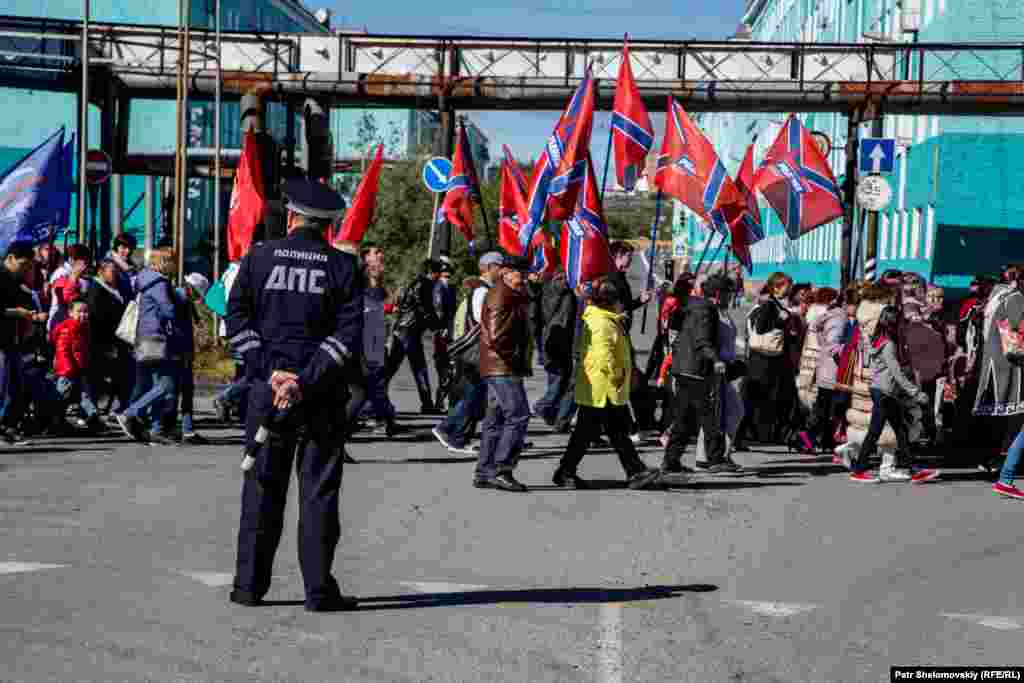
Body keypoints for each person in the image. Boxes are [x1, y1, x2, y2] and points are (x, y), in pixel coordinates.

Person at [225, 178, 363, 612]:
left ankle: (248, 587)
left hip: (267, 393)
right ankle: (319, 591)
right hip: (319, 396)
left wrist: (272, 374)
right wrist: (304, 380)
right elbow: (348, 335)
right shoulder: (343, 267)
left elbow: (237, 320)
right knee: (318, 492)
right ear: (328, 225)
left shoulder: (259, 257)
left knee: (262, 490)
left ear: (291, 216)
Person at [552, 276, 661, 490]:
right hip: (602, 389)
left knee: (604, 432)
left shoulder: (607, 319)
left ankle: (568, 471)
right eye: (620, 300)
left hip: (602, 389)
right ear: (612, 301)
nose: (623, 304)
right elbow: (604, 358)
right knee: (607, 432)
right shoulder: (602, 323)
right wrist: (620, 375)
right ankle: (634, 471)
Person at [849, 305, 940, 484]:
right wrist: (916, 393)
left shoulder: (877, 339)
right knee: (875, 432)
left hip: (881, 390)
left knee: (900, 430)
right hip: (885, 392)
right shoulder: (888, 344)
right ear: (894, 322)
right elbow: (896, 373)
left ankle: (910, 467)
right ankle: (859, 469)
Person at [661, 273, 740, 476]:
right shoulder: (706, 310)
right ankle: (714, 459)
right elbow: (702, 341)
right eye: (727, 294)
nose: (729, 298)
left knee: (685, 420)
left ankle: (671, 462)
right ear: (717, 294)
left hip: (685, 369)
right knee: (708, 416)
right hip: (695, 370)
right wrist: (716, 360)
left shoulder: (696, 307)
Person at [114, 248, 187, 445]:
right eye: (172, 261)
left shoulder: (146, 280)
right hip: (157, 337)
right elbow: (169, 310)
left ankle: (156, 429)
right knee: (167, 385)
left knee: (157, 384)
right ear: (163, 262)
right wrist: (180, 298)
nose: (175, 265)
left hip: (146, 337)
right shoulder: (159, 283)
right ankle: (130, 412)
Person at [433, 251, 503, 455]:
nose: (502, 269)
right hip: (477, 351)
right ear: (489, 267)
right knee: (475, 394)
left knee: (478, 394)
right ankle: (448, 428)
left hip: (481, 351)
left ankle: (458, 434)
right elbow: (486, 321)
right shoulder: (481, 291)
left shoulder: (487, 289)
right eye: (500, 265)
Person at [473, 256, 532, 492]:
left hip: (500, 364)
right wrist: (515, 357)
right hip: (502, 365)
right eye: (520, 273)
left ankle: (485, 471)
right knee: (518, 415)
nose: (524, 277)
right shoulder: (501, 294)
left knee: (495, 420)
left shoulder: (509, 292)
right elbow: (496, 336)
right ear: (506, 272)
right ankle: (502, 470)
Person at [740, 272, 795, 444]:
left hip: (768, 359)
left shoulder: (774, 303)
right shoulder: (770, 305)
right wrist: (780, 322)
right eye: (787, 285)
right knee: (758, 397)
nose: (790, 288)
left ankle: (756, 433)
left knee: (762, 398)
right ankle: (744, 433)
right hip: (764, 359)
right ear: (777, 286)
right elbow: (761, 327)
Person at [386, 259, 444, 414]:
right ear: (431, 272)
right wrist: (437, 325)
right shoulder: (424, 284)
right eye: (438, 273)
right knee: (414, 367)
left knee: (398, 366)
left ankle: (427, 404)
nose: (439, 276)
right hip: (409, 330)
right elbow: (424, 308)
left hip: (405, 330)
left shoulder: (416, 283)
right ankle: (427, 404)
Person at [87, 257, 132, 416]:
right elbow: (97, 318)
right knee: (100, 376)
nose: (116, 274)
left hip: (118, 339)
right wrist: (107, 343)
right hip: (103, 341)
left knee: (118, 374)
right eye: (112, 271)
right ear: (101, 271)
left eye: (117, 271)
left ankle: (119, 405)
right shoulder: (96, 290)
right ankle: (93, 409)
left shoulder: (116, 288)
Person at [534, 270, 577, 428]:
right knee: (561, 381)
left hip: (554, 341)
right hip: (558, 341)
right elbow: (563, 319)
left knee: (559, 380)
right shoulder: (561, 292)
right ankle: (543, 406)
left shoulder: (548, 290)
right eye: (562, 277)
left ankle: (553, 415)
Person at [50, 300, 101, 430]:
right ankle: (54, 420)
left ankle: (93, 416)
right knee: (62, 395)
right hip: (67, 371)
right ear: (70, 313)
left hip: (79, 369)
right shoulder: (68, 328)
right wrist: (68, 369)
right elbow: (63, 350)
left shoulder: (83, 327)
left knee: (84, 394)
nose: (83, 314)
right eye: (79, 311)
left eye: (85, 311)